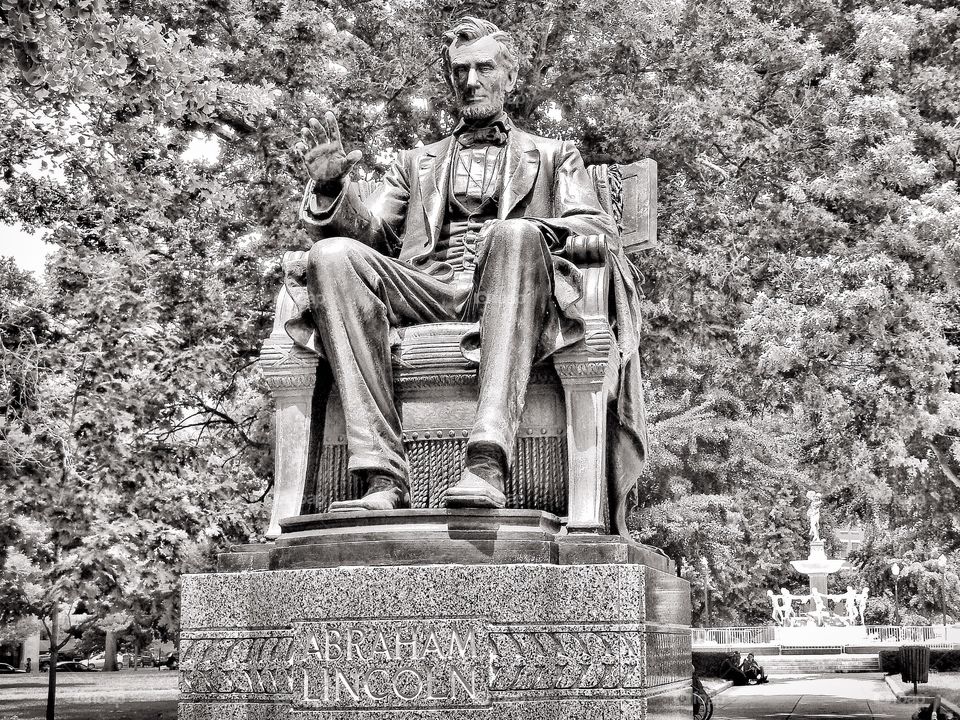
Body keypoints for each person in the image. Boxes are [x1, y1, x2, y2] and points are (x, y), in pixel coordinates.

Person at [290, 16, 647, 528]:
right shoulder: (415, 163)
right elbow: (369, 235)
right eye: (461, 71)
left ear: (510, 78)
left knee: (515, 234)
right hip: (426, 288)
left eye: (484, 68)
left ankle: (487, 459)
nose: (471, 81)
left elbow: (593, 225)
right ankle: (382, 475)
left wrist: (531, 233)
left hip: (510, 287)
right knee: (332, 258)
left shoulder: (553, 154)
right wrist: (330, 192)